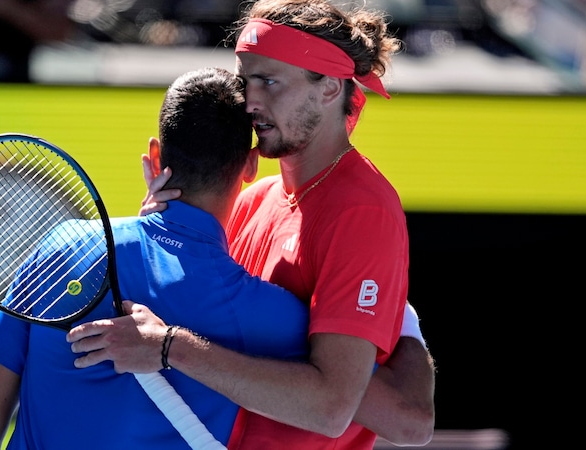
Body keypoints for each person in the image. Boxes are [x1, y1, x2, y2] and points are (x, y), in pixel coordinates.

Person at [68, 0, 435, 449]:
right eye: (245, 81)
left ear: (329, 88)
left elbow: (330, 408)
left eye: (269, 81)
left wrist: (168, 347)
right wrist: (161, 234)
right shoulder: (253, 199)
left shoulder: (362, 209)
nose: (249, 102)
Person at [0, 67, 312, 449]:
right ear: (251, 165)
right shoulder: (274, 315)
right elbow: (338, 400)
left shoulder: (63, 245)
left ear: (155, 157)